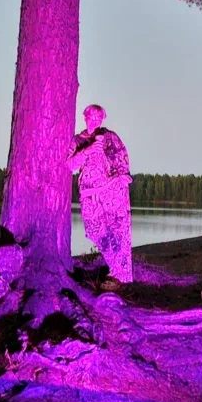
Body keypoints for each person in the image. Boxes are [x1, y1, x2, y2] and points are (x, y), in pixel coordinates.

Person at [67, 104, 133, 286]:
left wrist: (122, 175)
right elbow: (70, 165)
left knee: (118, 230)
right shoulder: (77, 140)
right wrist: (87, 150)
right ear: (85, 117)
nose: (95, 121)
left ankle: (119, 274)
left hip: (112, 190)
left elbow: (122, 157)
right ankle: (114, 267)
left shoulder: (110, 137)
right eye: (92, 117)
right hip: (89, 193)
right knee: (95, 231)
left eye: (99, 117)